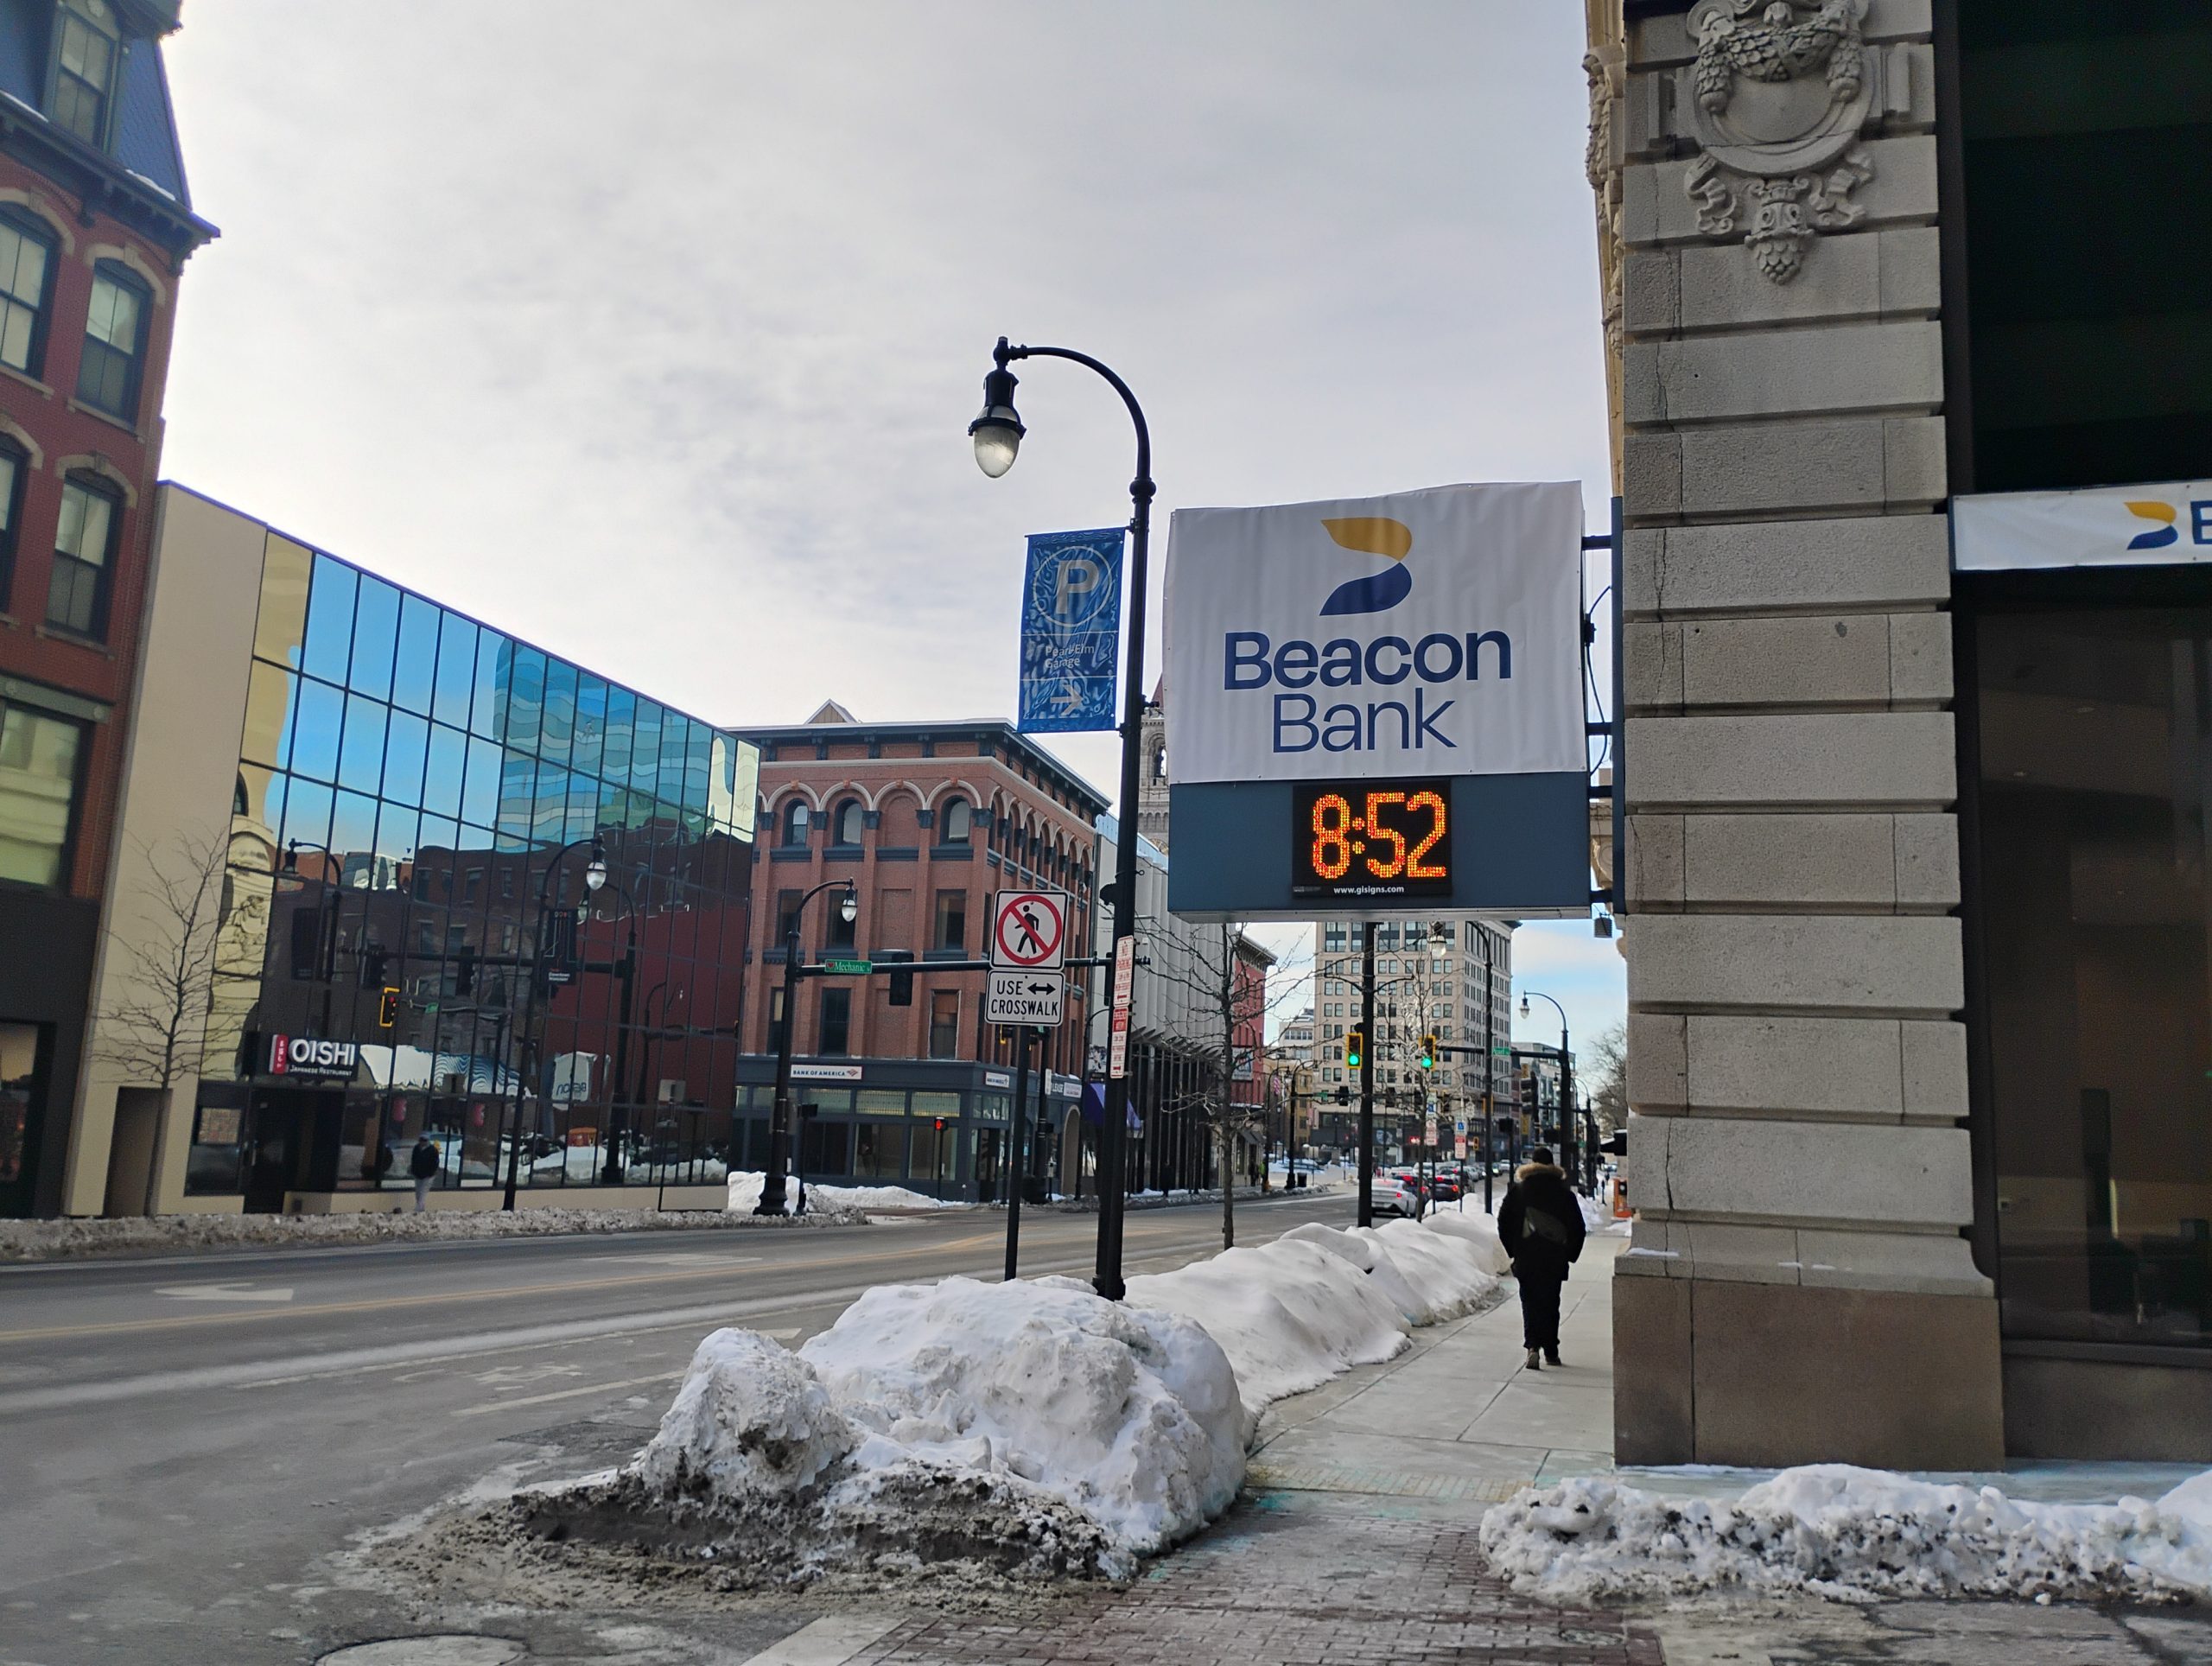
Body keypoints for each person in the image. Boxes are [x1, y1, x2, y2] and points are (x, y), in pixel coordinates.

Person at [1497, 1144, 1586, 1370]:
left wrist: (1513, 1250)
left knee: (1530, 1301)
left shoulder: (1519, 1191)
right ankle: (1552, 1350)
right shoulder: (1564, 1194)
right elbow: (1578, 1227)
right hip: (1554, 1259)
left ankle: (1532, 1347)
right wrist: (1569, 1254)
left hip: (1526, 1258)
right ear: (1551, 1165)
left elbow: (1503, 1222)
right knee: (1550, 1302)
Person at [409, 1132, 442, 1213]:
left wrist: (431, 1173)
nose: (422, 1142)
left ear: (428, 1141)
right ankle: (421, 1209)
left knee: (423, 1192)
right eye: (421, 1140)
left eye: (424, 1140)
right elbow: (413, 1160)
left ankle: (417, 1209)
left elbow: (435, 1162)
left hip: (428, 1175)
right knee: (418, 1193)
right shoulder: (416, 1148)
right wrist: (413, 1170)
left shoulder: (433, 1150)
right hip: (418, 1174)